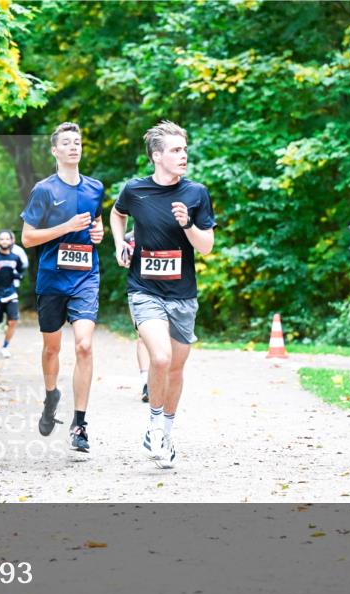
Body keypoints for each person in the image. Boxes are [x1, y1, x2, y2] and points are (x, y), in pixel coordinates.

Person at [110, 120, 216, 468]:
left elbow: (207, 248)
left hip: (183, 294)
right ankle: (154, 426)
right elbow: (116, 213)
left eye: (184, 149)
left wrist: (188, 224)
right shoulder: (135, 191)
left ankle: (166, 431)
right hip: (144, 289)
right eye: (175, 150)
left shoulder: (196, 193)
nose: (183, 155)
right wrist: (119, 245)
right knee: (160, 358)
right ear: (157, 156)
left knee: (175, 369)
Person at [20, 122, 105, 453]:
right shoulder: (44, 190)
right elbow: (28, 237)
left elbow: (96, 223)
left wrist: (98, 234)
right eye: (67, 143)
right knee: (52, 349)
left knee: (84, 346)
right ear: (55, 151)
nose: (74, 146)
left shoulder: (95, 187)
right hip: (52, 278)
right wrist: (65, 227)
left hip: (86, 276)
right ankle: (51, 395)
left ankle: (80, 424)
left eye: (78, 142)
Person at [0, 230, 24, 358]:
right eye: (2, 239)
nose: (5, 241)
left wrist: (18, 276)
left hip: (11, 293)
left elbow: (20, 271)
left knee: (13, 321)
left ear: (12, 241)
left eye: (7, 239)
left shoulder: (15, 258)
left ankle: (5, 347)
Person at [125, 230, 151, 402]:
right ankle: (146, 384)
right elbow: (124, 262)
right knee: (142, 336)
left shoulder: (168, 227)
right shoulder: (128, 237)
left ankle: (162, 379)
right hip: (140, 290)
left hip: (170, 291)